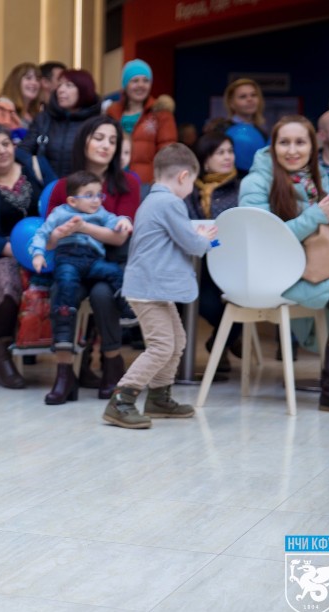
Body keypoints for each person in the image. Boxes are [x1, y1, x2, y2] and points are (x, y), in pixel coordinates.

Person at [239, 116, 329, 414]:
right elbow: (265, 243)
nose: (292, 150)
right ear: (273, 147)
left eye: (300, 142)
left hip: (313, 269)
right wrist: (317, 215)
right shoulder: (255, 182)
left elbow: (326, 236)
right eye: (284, 143)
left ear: (313, 146)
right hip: (272, 273)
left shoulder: (312, 177)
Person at [103, 144, 217, 429]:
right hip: (148, 288)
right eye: (191, 183)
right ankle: (121, 400)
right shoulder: (170, 203)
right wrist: (204, 238)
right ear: (183, 176)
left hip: (152, 287)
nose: (190, 191)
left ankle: (159, 398)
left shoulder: (153, 200)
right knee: (162, 345)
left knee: (176, 341)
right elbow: (192, 244)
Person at [45, 115, 141, 399]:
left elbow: (120, 236)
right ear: (83, 142)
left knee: (102, 294)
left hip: (111, 263)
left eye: (112, 140)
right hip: (70, 261)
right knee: (62, 291)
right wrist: (59, 235)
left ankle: (113, 366)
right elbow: (49, 235)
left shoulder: (128, 183)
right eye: (99, 138)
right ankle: (65, 375)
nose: (106, 145)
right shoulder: (63, 185)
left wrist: (81, 227)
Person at [30, 171, 132, 404]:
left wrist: (124, 221)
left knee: (114, 273)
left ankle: (126, 306)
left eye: (99, 195)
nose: (96, 200)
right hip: (68, 259)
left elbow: (115, 223)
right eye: (89, 195)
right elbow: (42, 234)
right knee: (64, 285)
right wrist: (38, 253)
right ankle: (65, 366)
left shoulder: (99, 213)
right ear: (72, 200)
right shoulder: (61, 213)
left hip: (93, 260)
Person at [0, 123, 53, 389]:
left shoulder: (35, 168)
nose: (2, 151)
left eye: (6, 144)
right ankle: (0, 351)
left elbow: (59, 202)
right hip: (0, 253)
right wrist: (7, 248)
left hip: (47, 249)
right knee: (4, 280)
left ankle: (69, 358)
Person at [186, 130, 243, 371]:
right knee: (207, 304)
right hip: (202, 263)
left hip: (237, 263)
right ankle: (225, 341)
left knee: (243, 303)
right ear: (205, 160)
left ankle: (220, 343)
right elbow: (189, 223)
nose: (228, 157)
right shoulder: (191, 190)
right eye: (220, 153)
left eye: (230, 151)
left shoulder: (242, 187)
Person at [20, 68, 101, 179]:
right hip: (46, 186)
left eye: (68, 85)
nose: (61, 90)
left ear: (83, 90)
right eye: (60, 85)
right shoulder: (44, 119)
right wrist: (37, 167)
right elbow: (23, 151)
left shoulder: (97, 123)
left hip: (82, 186)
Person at [105, 59, 176, 184]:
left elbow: (167, 152)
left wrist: (160, 183)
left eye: (145, 80)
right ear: (125, 84)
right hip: (113, 180)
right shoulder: (112, 112)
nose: (141, 85)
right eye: (135, 80)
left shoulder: (161, 113)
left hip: (146, 183)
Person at [0, 63, 41, 129]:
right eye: (28, 78)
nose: (34, 83)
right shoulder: (3, 107)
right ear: (16, 82)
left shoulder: (36, 113)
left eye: (37, 79)